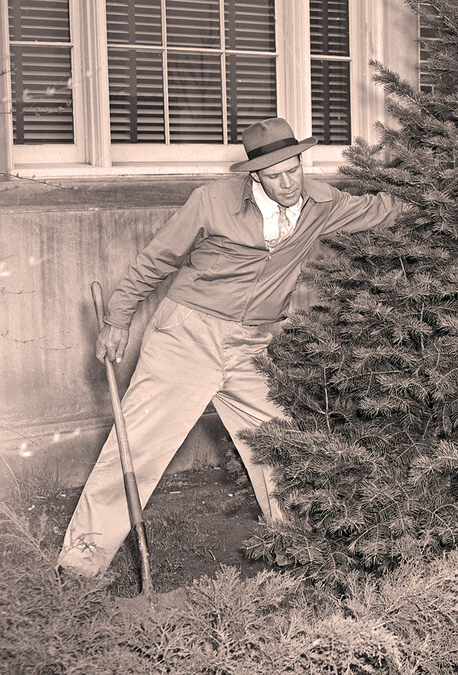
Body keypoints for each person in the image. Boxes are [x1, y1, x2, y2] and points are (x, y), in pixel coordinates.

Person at [58, 118, 406, 577]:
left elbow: (381, 210)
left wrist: (443, 191)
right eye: (275, 174)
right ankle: (80, 566)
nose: (288, 183)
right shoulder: (212, 200)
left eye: (294, 169)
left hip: (250, 344)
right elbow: (157, 258)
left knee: (278, 445)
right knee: (137, 449)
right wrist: (117, 318)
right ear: (254, 175)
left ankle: (301, 554)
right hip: (188, 335)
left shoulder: (322, 202)